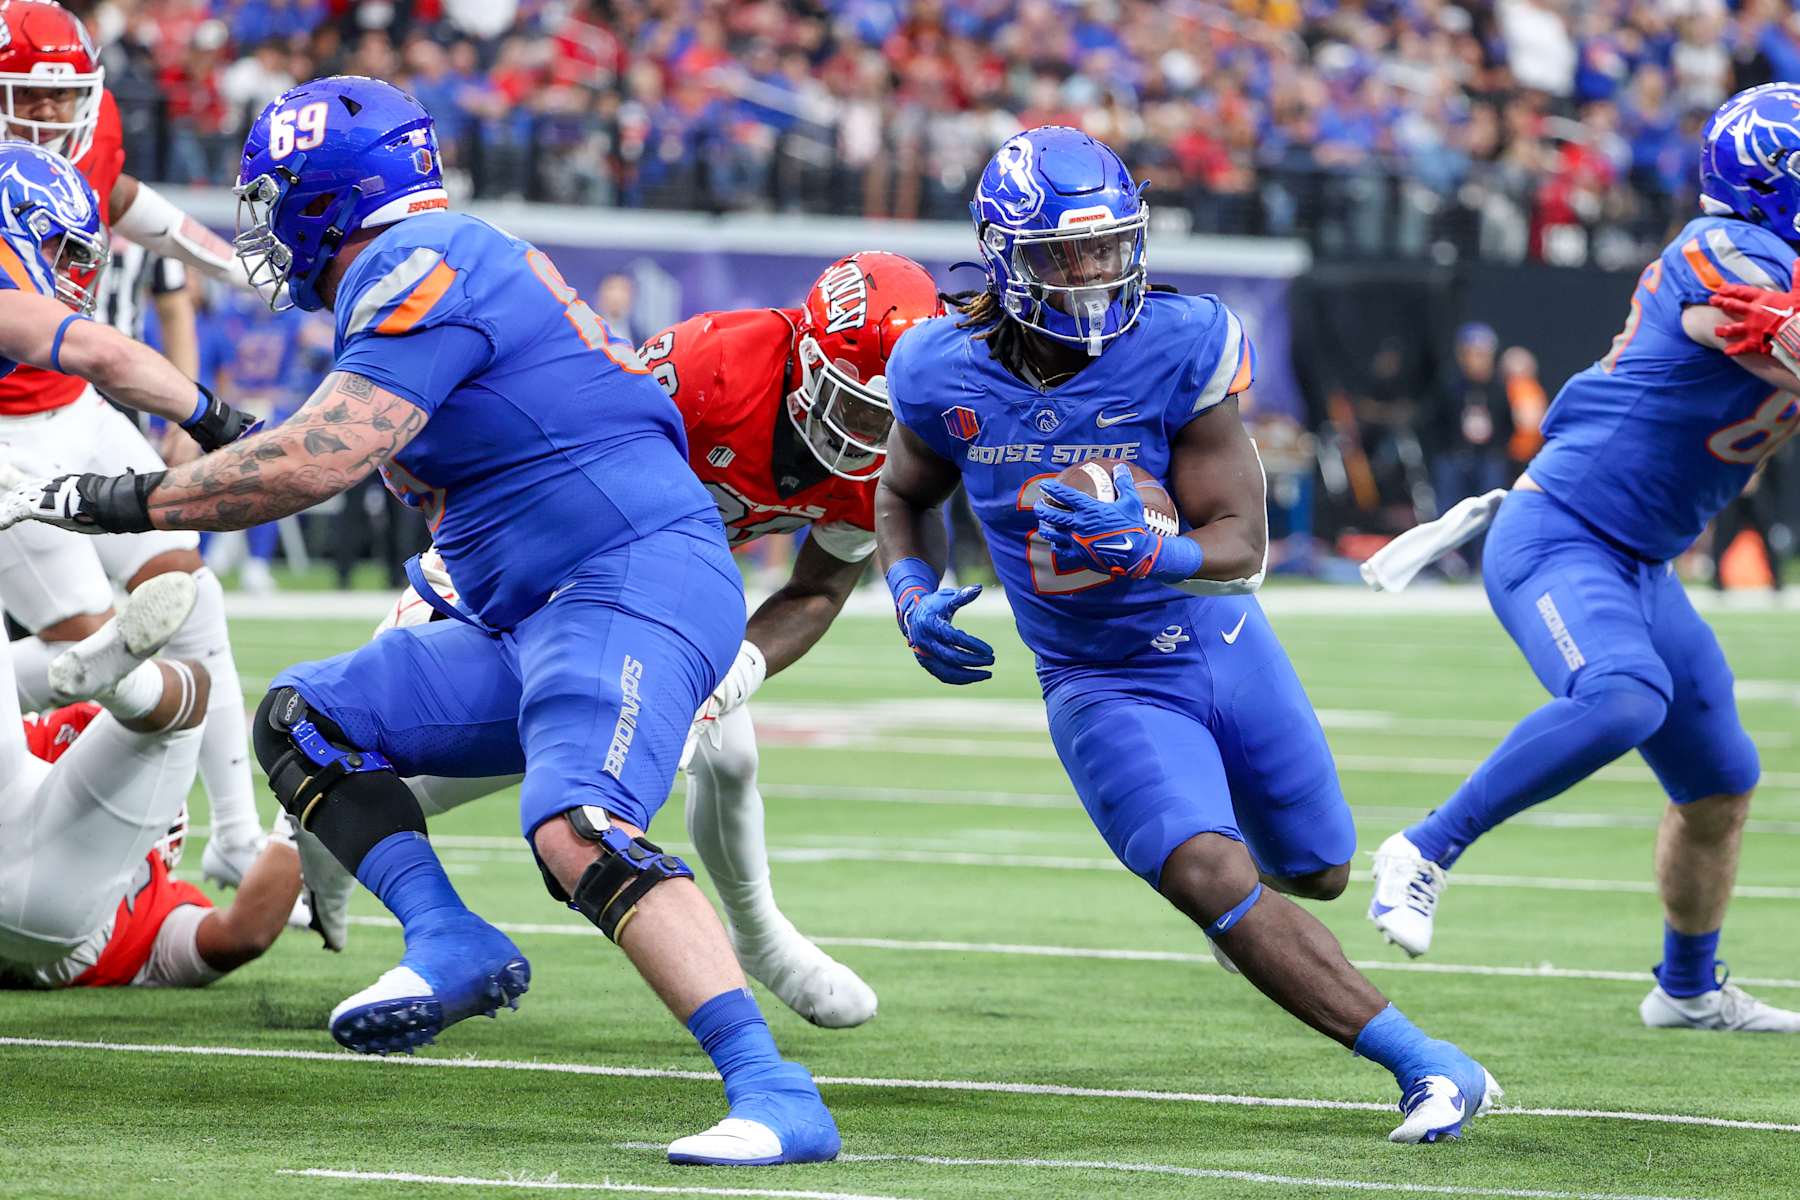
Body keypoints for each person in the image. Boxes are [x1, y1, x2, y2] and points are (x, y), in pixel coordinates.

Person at [0, 76, 838, 1166]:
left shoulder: (414, 262)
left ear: (329, 197)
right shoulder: (424, 266)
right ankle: (449, 938)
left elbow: (320, 458)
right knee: (308, 718)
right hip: (525, 607)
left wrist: (118, 497)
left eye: (276, 197)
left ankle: (774, 1089)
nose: (265, 224)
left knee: (576, 826)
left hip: (623, 576)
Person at [872, 125, 1499, 1144]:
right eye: (1063, 255)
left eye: (1108, 247)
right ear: (1001, 257)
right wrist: (909, 590)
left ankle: (1252, 915)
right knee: (1210, 875)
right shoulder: (939, 370)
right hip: (1096, 676)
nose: (1090, 274)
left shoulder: (1180, 341)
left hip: (1216, 636)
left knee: (1319, 872)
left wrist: (1149, 551)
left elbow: (1241, 542)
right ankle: (1428, 1065)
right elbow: (904, 492)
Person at [367, 251, 945, 1030]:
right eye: (856, 409)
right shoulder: (709, 366)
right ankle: (326, 849)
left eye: (889, 419)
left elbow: (816, 589)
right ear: (806, 361)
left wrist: (726, 678)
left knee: (730, 752)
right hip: (564, 543)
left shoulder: (884, 447)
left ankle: (758, 934)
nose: (868, 437)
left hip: (675, 582)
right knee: (453, 751)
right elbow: (574, 460)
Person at [1367, 83, 1800, 1034]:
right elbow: (1782, 337)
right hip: (1562, 533)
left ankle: (1686, 989)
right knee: (1621, 695)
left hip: (1640, 562)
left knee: (1720, 783)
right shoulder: (1721, 252)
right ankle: (1422, 848)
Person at [0, 1, 274, 895]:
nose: (47, 120)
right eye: (26, 102)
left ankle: (238, 833)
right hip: (10, 422)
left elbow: (122, 202)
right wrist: (213, 418)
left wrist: (231, 263)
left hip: (71, 401)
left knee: (186, 589)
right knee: (86, 641)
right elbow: (93, 340)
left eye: (62, 101)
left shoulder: (95, 126)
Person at [3, 697, 302, 989]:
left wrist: (300, 805)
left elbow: (243, 934)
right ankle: (236, 832)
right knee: (186, 689)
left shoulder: (157, 911)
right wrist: (300, 806)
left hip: (45, 914)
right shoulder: (70, 737)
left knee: (188, 687)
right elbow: (245, 934)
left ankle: (236, 831)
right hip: (52, 931)